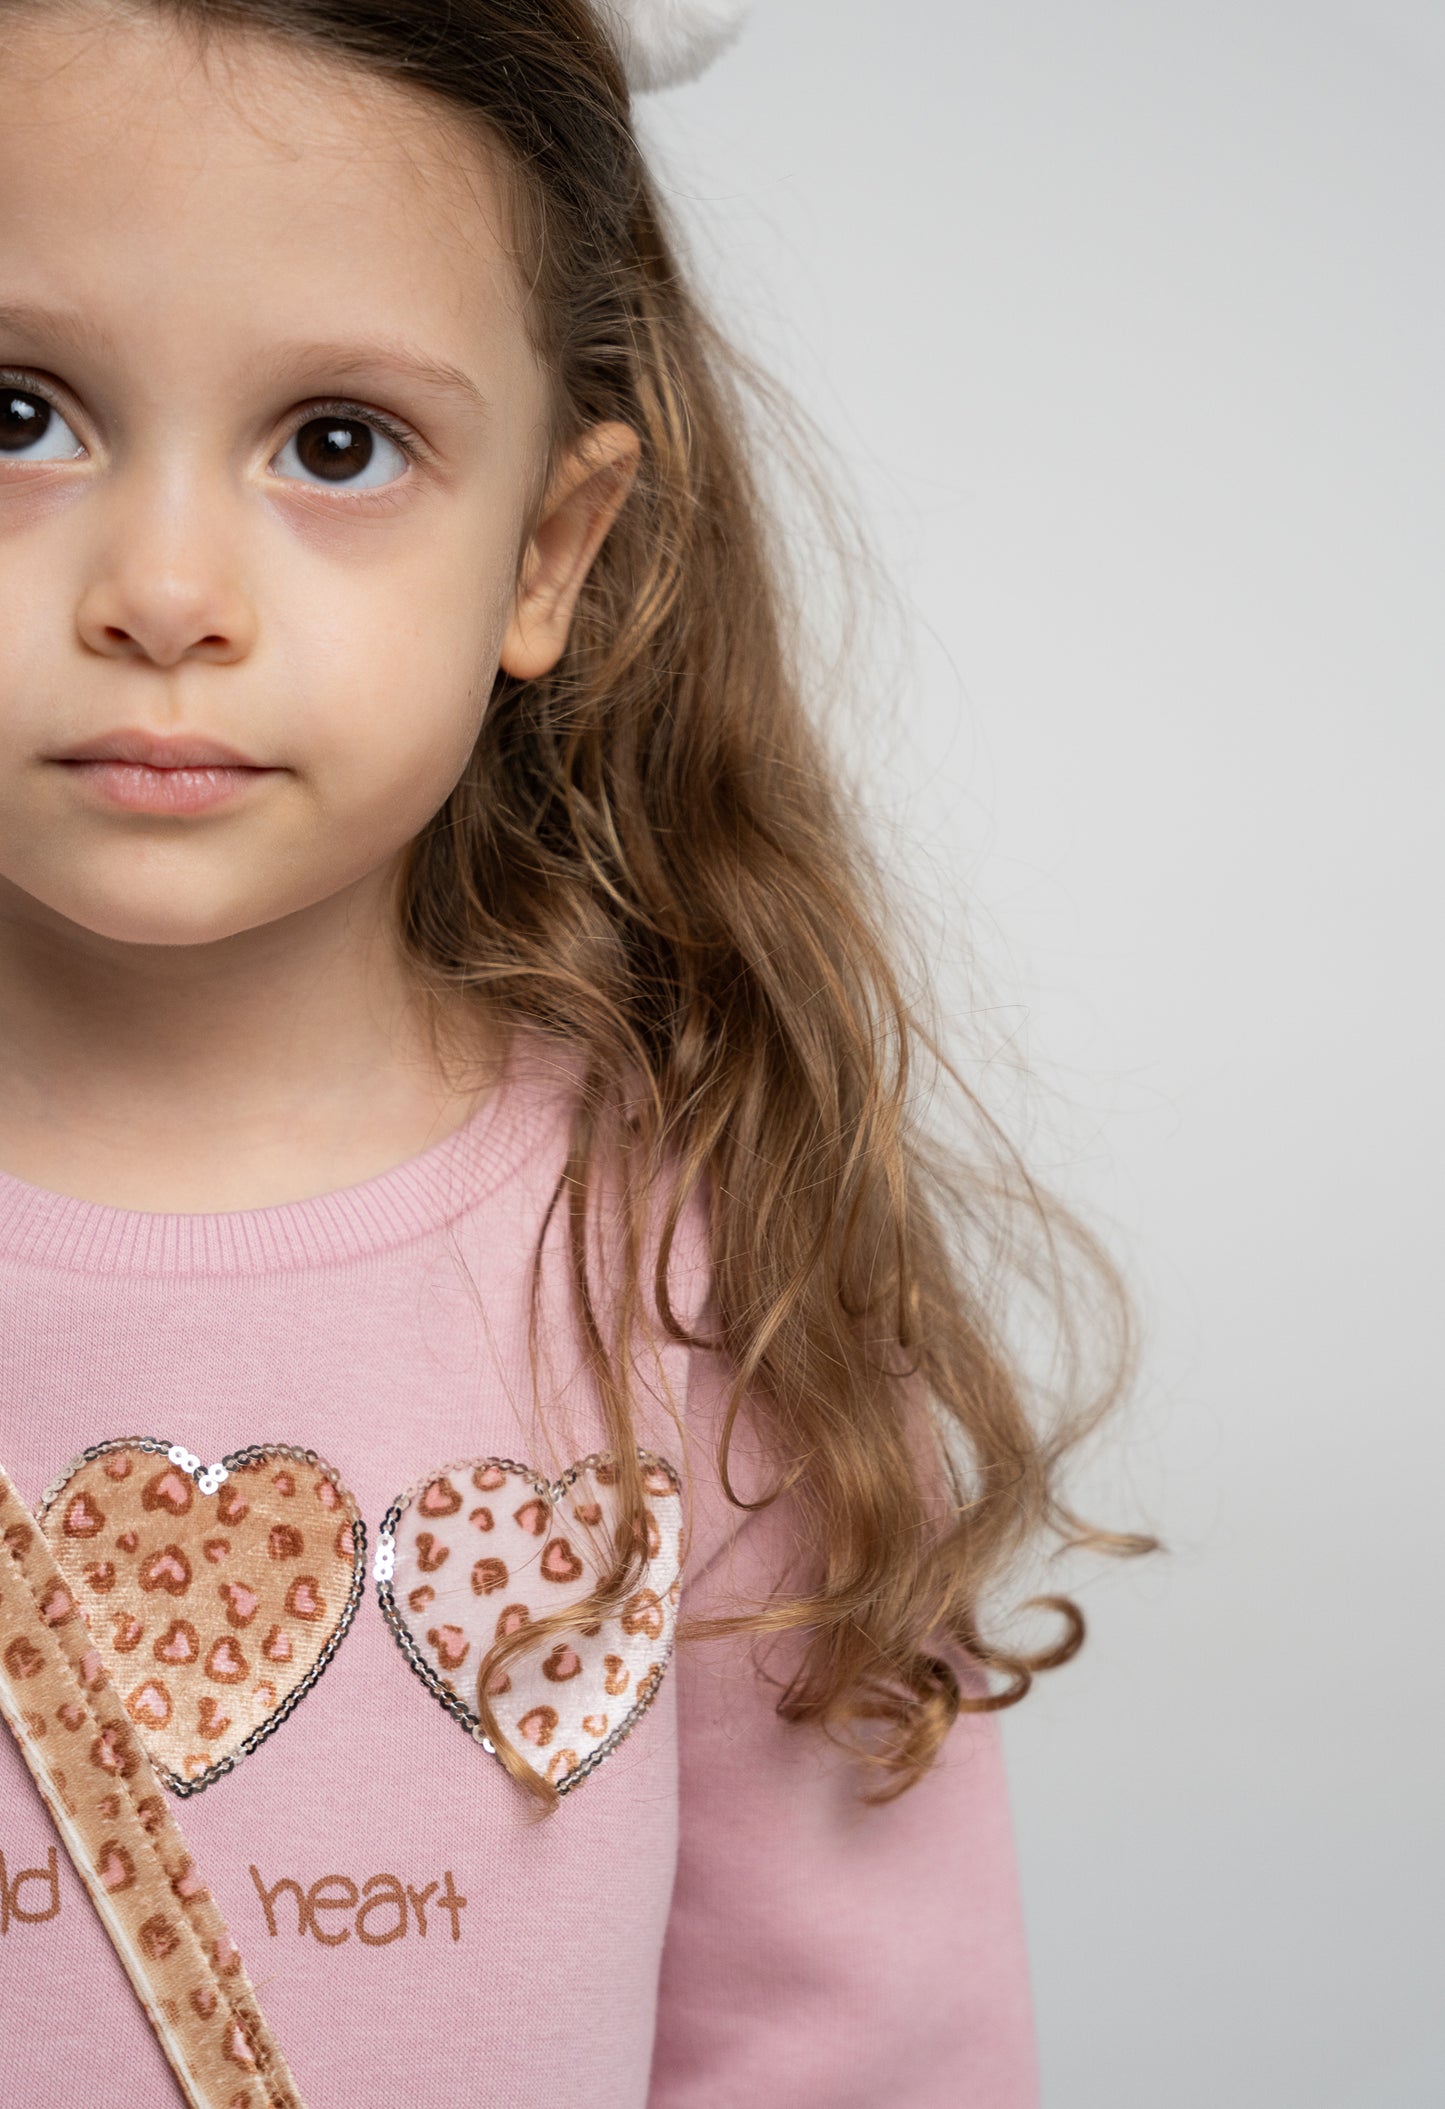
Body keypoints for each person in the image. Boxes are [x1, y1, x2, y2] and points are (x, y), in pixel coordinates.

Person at [0, 1, 1145, 2101]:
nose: (162, 591)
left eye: (336, 440)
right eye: (17, 411)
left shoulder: (700, 1263)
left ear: (549, 547)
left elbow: (854, 2041)